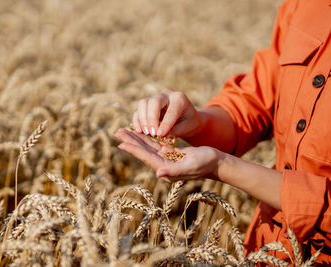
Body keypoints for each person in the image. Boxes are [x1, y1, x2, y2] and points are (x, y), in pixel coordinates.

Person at [115, 0, 331, 265]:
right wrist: (198, 122)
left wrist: (222, 166)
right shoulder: (307, 5)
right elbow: (257, 100)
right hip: (267, 250)